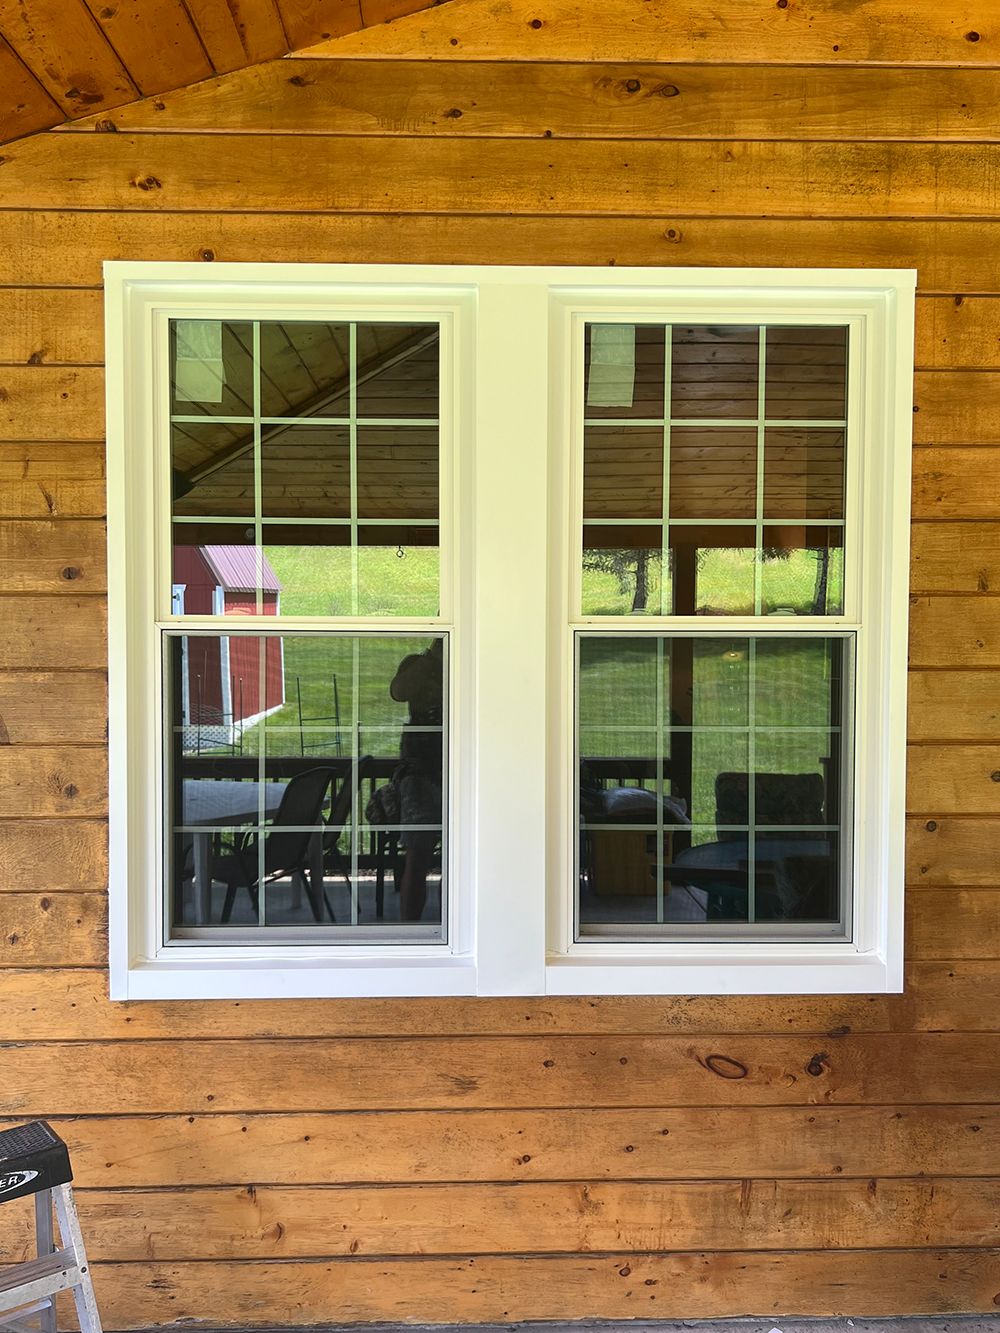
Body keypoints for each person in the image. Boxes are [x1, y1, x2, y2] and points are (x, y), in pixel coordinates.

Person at [387, 638, 443, 921]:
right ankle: (410, 928)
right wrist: (431, 659)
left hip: (462, 769)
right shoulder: (418, 665)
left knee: (463, 856)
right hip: (420, 776)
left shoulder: (473, 665)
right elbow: (398, 692)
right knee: (417, 854)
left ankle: (456, 923)